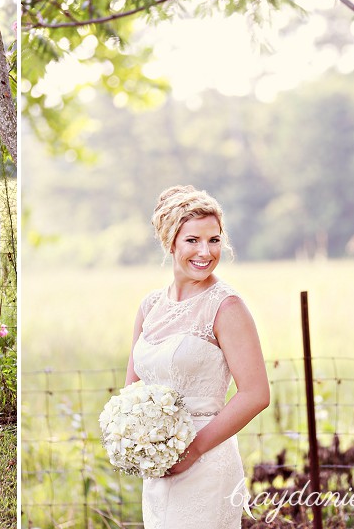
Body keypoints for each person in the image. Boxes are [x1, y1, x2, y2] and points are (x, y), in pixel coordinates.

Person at [125, 185, 270, 528]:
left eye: (214, 239)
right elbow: (131, 390)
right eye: (193, 240)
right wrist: (138, 441)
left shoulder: (226, 307)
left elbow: (256, 394)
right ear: (170, 241)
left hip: (207, 461)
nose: (205, 251)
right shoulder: (149, 307)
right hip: (160, 465)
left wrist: (193, 450)